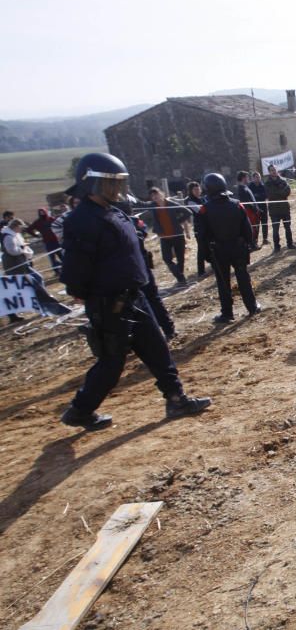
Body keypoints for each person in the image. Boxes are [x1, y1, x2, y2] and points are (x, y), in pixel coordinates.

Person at [59, 153, 210, 431]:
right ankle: (79, 410)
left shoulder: (115, 211)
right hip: (108, 305)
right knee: (112, 364)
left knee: (158, 350)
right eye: (111, 183)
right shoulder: (81, 221)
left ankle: (176, 398)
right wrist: (89, 294)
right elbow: (74, 272)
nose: (118, 189)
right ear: (94, 184)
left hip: (135, 298)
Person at [198, 173, 262, 323]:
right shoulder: (236, 204)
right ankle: (252, 307)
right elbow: (247, 228)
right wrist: (248, 243)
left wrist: (205, 255)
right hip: (237, 248)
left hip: (219, 251)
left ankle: (227, 313)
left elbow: (201, 236)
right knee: (243, 278)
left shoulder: (205, 210)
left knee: (223, 282)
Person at [114, 194, 175, 339]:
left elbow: (142, 233)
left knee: (148, 300)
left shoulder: (130, 223)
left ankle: (166, 329)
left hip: (135, 269)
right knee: (144, 302)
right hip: (135, 269)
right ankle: (164, 330)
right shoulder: (130, 222)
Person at [2, 218, 71, 324]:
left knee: (37, 278)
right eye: (20, 228)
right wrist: (22, 247)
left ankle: (44, 302)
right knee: (18, 288)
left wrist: (24, 249)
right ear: (16, 226)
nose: (21, 230)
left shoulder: (14, 235)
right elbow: (12, 251)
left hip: (22, 263)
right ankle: (13, 315)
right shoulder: (8, 236)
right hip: (15, 265)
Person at [141, 186, 191, 286]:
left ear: (162, 194)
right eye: (153, 196)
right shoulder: (153, 206)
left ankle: (181, 279)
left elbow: (187, 212)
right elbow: (140, 204)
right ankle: (180, 276)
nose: (155, 197)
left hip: (177, 235)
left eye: (157, 195)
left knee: (180, 258)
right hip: (164, 237)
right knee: (166, 258)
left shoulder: (171, 204)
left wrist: (178, 222)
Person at [184, 181, 212, 276]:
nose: (197, 191)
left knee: (210, 246)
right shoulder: (189, 200)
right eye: (195, 190)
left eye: (198, 189)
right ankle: (201, 271)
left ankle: (213, 263)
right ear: (191, 191)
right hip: (200, 228)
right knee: (202, 249)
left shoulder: (203, 198)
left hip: (208, 226)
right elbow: (200, 211)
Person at [264, 165, 294, 252]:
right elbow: (270, 195)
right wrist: (281, 192)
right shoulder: (267, 183)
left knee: (288, 227)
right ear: (269, 172)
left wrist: (278, 193)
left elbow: (288, 191)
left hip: (284, 208)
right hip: (274, 210)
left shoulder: (283, 181)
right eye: (271, 170)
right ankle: (277, 247)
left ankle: (290, 244)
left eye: (275, 170)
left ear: (277, 170)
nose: (273, 171)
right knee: (275, 229)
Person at [25, 207, 63, 275]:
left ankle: (66, 268)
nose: (42, 213)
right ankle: (57, 271)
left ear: (45, 212)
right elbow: (28, 229)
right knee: (52, 258)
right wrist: (36, 235)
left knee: (62, 256)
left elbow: (59, 225)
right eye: (40, 212)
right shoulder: (38, 222)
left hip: (56, 240)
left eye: (43, 212)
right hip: (48, 242)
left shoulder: (51, 219)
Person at [234, 171, 263, 249]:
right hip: (249, 212)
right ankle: (252, 244)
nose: (248, 179)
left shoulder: (245, 187)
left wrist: (257, 208)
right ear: (243, 178)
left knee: (255, 228)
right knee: (252, 228)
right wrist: (255, 209)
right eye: (247, 177)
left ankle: (254, 243)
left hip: (253, 210)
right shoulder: (241, 189)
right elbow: (246, 202)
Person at [248, 171, 269, 244]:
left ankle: (265, 239)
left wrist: (257, 196)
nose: (258, 178)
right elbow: (251, 197)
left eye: (259, 177)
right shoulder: (250, 186)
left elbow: (266, 195)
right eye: (257, 177)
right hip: (254, 208)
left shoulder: (263, 185)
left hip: (263, 207)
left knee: (265, 223)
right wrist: (259, 196)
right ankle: (255, 240)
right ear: (253, 178)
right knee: (256, 224)